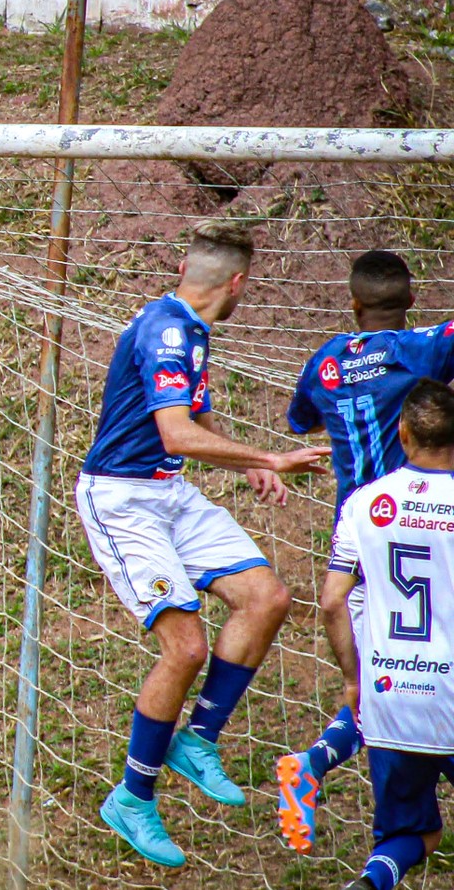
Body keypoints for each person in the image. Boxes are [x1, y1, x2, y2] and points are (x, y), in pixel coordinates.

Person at [74, 220, 331, 867]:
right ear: (238, 282)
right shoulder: (166, 331)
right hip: (122, 498)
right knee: (184, 648)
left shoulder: (188, 326)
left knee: (266, 597)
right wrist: (270, 452)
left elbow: (194, 418)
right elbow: (175, 434)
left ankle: (198, 740)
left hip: (170, 493)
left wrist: (247, 466)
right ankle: (133, 798)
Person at [278, 251, 454, 854]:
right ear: (411, 301)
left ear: (353, 305)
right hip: (422, 524)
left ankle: (314, 764)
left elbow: (301, 419)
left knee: (380, 685)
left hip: (355, 539)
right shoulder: (421, 349)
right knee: (418, 675)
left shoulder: (323, 361)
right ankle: (312, 764)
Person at [321, 379, 454, 890]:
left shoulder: (362, 504)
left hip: (392, 697)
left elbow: (333, 600)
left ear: (401, 432)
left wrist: (355, 681)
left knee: (411, 832)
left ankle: (372, 882)